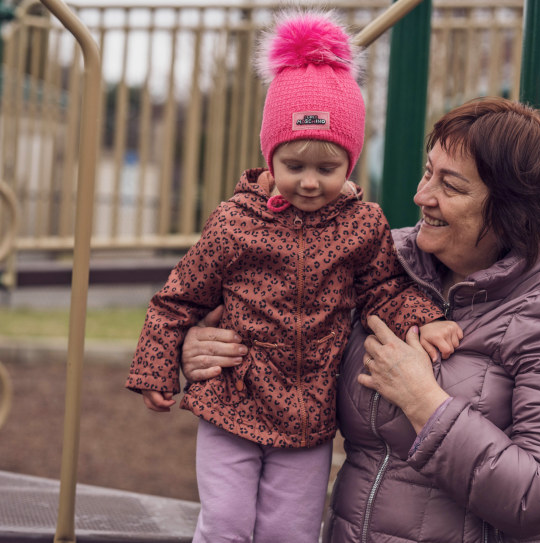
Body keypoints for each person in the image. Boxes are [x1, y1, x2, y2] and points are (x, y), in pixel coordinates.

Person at [181, 97, 540, 542]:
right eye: (427, 172)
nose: (421, 196)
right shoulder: (381, 262)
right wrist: (202, 345)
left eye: (450, 187)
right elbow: (276, 325)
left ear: (514, 210)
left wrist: (423, 401)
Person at [125, 11, 462, 543]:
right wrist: (156, 369)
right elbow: (178, 300)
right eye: (294, 165)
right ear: (271, 156)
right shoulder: (235, 222)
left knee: (293, 532)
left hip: (308, 418)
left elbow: (385, 289)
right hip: (232, 402)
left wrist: (428, 318)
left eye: (327, 168)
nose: (309, 182)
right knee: (227, 525)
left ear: (349, 163)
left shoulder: (361, 225)